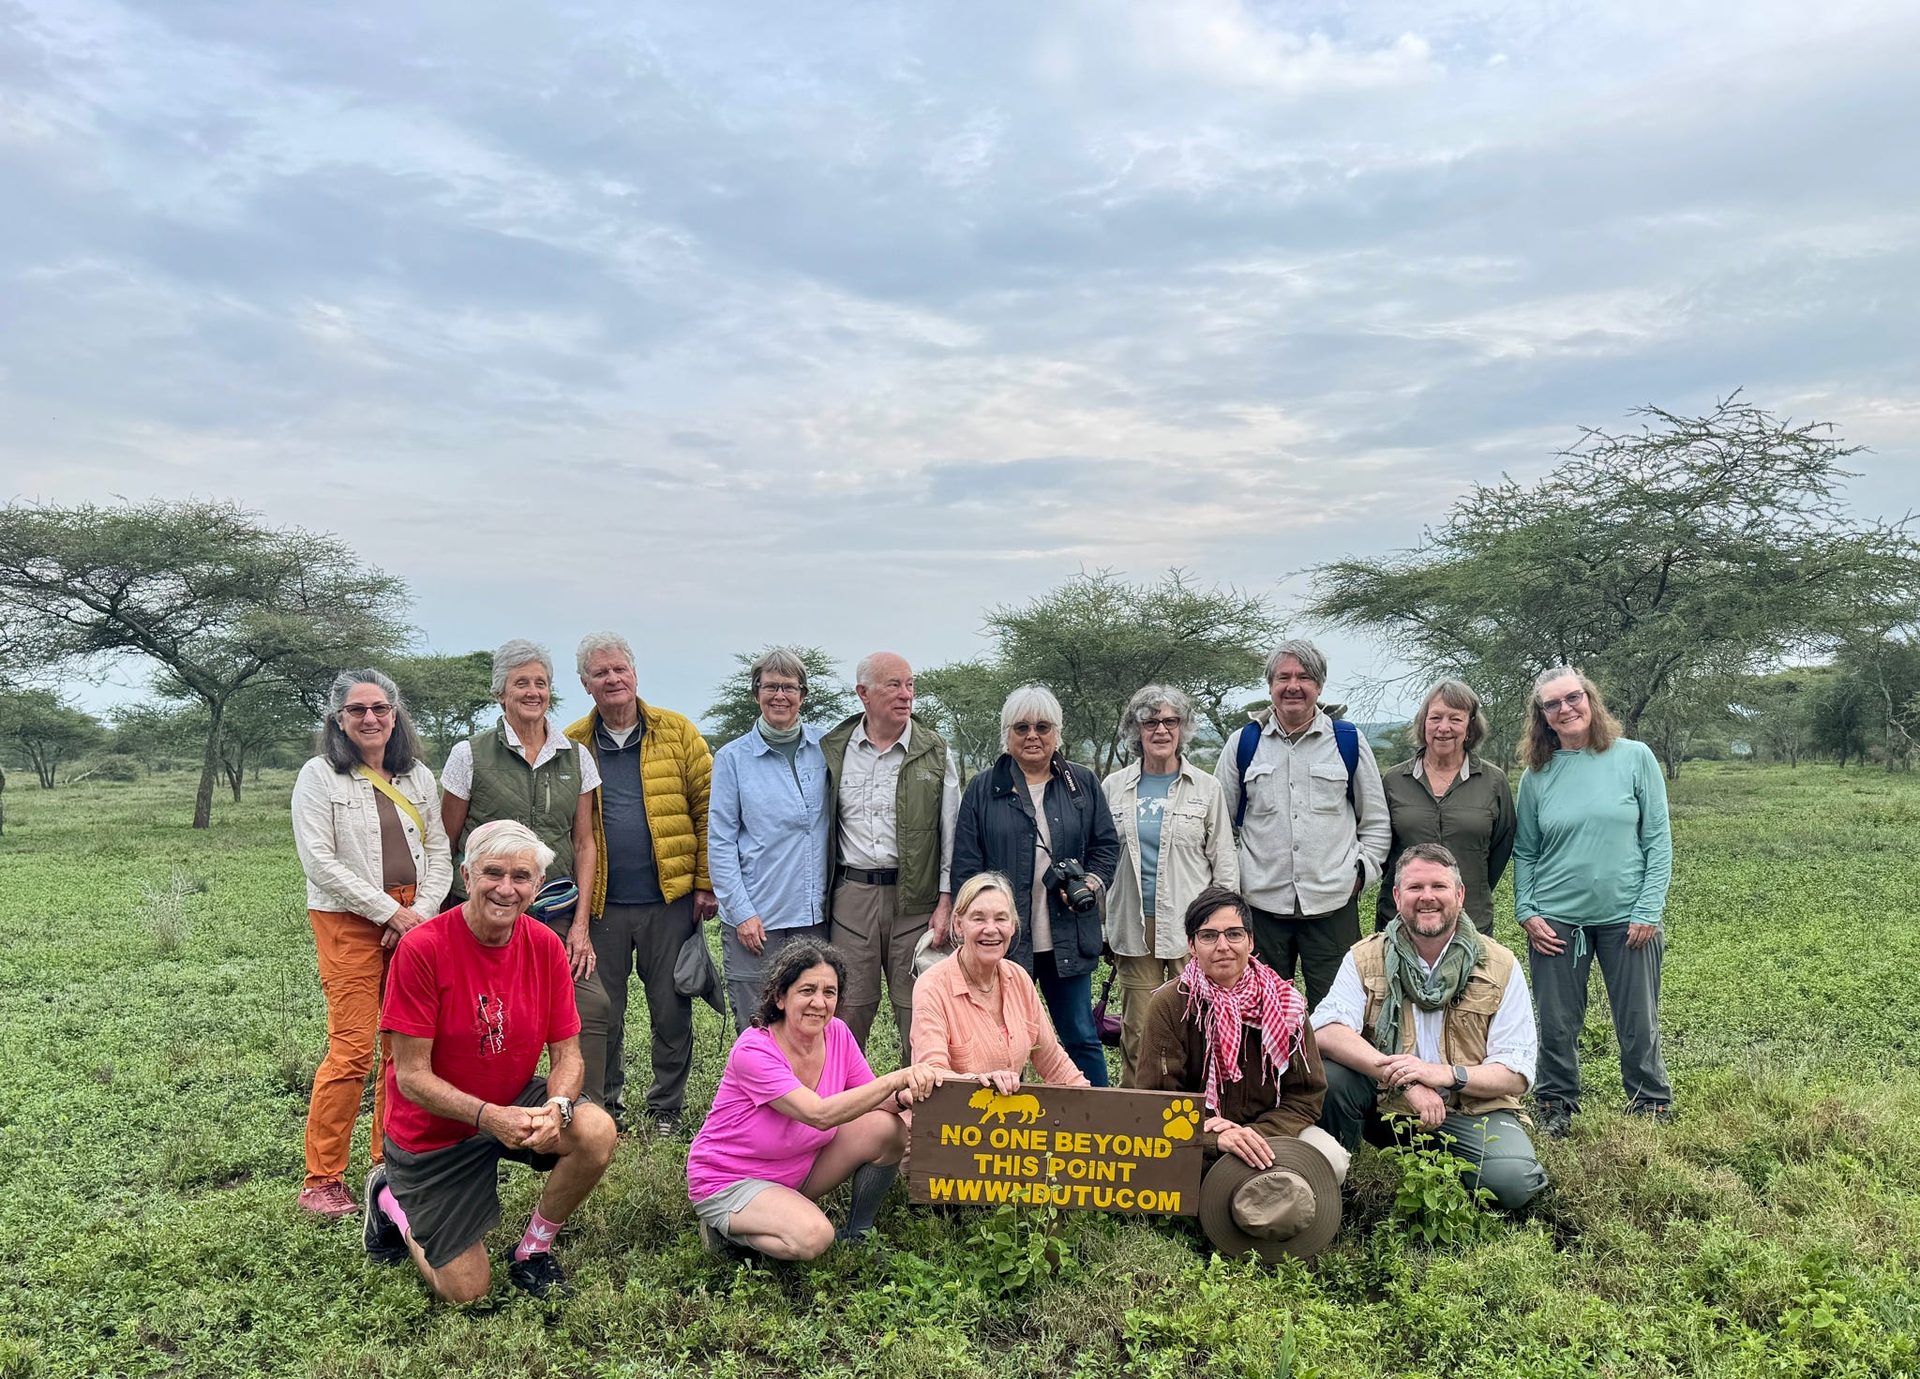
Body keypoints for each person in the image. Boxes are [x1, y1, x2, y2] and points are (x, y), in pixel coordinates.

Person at [362, 821, 618, 1302]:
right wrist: (489, 1118)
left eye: (521, 876)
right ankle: (389, 1197)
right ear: (466, 877)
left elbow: (567, 1055)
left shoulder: (544, 946)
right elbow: (412, 1077)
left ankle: (533, 1250)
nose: (506, 888)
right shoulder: (422, 949)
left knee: (596, 1130)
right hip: (434, 1132)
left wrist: (557, 1108)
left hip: (512, 1104)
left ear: (538, 886)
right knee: (466, 1293)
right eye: (492, 873)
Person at [290, 670, 453, 1220]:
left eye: (380, 708)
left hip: (413, 916)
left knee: (403, 1049)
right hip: (349, 920)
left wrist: (419, 914)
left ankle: (391, 1161)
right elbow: (320, 861)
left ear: (395, 714)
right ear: (339, 720)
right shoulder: (319, 777)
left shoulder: (418, 777)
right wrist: (388, 912)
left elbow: (440, 851)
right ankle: (323, 1178)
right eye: (357, 710)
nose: (370, 718)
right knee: (353, 1048)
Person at [1312, 843, 1548, 1210]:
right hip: (1387, 1104)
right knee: (1332, 1078)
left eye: (1438, 887)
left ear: (1459, 894)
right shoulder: (1365, 956)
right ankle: (1335, 1185)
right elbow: (1326, 1030)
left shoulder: (1500, 965)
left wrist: (1441, 1075)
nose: (1427, 898)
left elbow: (1515, 1074)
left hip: (1471, 1110)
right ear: (1396, 895)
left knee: (1514, 1184)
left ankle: (1445, 1163)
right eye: (1415, 888)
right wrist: (1407, 1080)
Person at [686, 942, 944, 1259]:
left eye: (830, 993)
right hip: (731, 1178)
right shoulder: (754, 1050)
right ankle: (725, 1231)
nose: (819, 1003)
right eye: (807, 990)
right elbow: (818, 1114)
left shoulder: (836, 1034)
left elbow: (876, 1099)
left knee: (888, 1129)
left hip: (797, 1168)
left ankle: (857, 1234)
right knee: (814, 1237)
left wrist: (906, 1094)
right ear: (780, 997)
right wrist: (897, 1077)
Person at [440, 639, 611, 1105]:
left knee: (590, 1004)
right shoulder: (469, 754)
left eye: (540, 683)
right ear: (501, 692)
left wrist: (580, 926)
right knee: (481, 1014)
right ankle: (469, 1108)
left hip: (554, 909)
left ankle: (580, 1110)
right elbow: (447, 839)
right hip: (485, 909)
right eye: (521, 683)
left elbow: (584, 841)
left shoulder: (575, 757)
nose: (532, 691)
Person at [564, 632, 718, 1138]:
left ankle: (665, 1110)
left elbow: (709, 809)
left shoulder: (677, 732)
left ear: (635, 674)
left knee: (670, 1010)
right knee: (600, 1012)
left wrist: (704, 884)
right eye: (600, 673)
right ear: (586, 685)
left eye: (619, 670)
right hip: (602, 905)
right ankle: (604, 1106)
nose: (612, 679)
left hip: (669, 903)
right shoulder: (572, 744)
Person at [1514, 666, 1674, 1137]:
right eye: (1552, 704)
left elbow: (1658, 840)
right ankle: (1555, 1102)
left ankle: (1650, 1101)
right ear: (1542, 717)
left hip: (1629, 918)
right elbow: (1526, 849)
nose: (1565, 709)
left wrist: (1649, 908)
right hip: (1557, 919)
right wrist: (1527, 910)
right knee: (1558, 1021)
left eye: (1573, 698)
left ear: (1590, 699)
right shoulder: (1537, 775)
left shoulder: (1634, 758)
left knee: (1637, 1018)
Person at [952, 685, 1120, 1086]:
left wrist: (1091, 884)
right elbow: (967, 866)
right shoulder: (983, 788)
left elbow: (1106, 847)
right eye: (1022, 727)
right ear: (1006, 734)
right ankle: (1011, 1135)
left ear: (1057, 732)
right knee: (1003, 1043)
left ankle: (1100, 1128)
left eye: (1042, 726)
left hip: (1068, 935)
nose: (1032, 736)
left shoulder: (1082, 784)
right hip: (1004, 940)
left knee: (1080, 1037)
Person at [1214, 640, 1389, 1010]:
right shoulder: (1243, 744)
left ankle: (1328, 1072)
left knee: (1339, 1015)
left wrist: (1358, 874)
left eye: (1304, 677)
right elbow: (1217, 824)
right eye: (1284, 677)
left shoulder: (1348, 742)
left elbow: (1375, 822)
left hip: (1333, 909)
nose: (1293, 686)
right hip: (1260, 911)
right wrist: (1236, 881)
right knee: (1259, 1015)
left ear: (1320, 686)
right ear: (1270, 685)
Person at [1135, 886, 1346, 1178]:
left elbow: (1306, 1095)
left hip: (1268, 1135)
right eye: (1209, 936)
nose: (1223, 946)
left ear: (1250, 941)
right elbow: (1156, 1101)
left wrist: (1252, 1135)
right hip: (1194, 1138)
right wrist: (1214, 1139)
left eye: (1234, 934)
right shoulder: (1171, 1004)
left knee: (1332, 1161)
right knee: (1155, 1167)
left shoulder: (1287, 1004)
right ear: (1192, 946)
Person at [822, 651, 960, 1056]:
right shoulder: (833, 748)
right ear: (862, 693)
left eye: (910, 685)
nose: (906, 695)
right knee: (847, 1007)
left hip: (915, 899)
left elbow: (950, 832)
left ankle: (919, 1110)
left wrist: (946, 901)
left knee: (919, 1008)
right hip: (852, 896)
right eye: (894, 685)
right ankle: (845, 1111)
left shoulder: (935, 750)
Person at [1102, 685, 1238, 1086]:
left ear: (1182, 728)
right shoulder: (1113, 787)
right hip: (1132, 925)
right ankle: (1135, 1119)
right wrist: (1101, 927)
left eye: (1170, 721)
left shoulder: (1206, 788)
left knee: (1197, 1026)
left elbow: (1224, 863)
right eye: (1150, 722)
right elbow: (1102, 862)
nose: (1161, 730)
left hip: (1193, 927)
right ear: (1136, 730)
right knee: (1139, 1032)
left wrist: (1221, 930)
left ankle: (1200, 1119)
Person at [709, 647, 833, 1034]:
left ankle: (811, 1096)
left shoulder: (826, 749)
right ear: (756, 693)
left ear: (803, 694)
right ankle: (757, 1096)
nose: (780, 695)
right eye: (770, 686)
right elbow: (721, 841)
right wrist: (742, 912)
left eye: (789, 687)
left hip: (814, 916)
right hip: (757, 919)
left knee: (811, 1019)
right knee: (758, 1022)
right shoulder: (732, 758)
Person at [910, 872, 1089, 1091]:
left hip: (1005, 1122)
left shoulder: (1019, 978)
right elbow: (932, 1074)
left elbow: (1053, 1061)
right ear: (958, 924)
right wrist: (983, 1082)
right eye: (978, 918)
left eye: (1001, 918)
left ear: (1013, 926)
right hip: (951, 1121)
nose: (991, 929)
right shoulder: (932, 986)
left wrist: (1093, 1105)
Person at [1376, 679, 1515, 937]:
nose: (1443, 728)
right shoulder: (1393, 780)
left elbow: (1501, 849)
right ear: (1423, 723)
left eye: (1455, 719)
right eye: (1435, 717)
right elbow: (1381, 847)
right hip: (1401, 920)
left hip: (1471, 919)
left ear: (1470, 727)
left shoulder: (1494, 782)